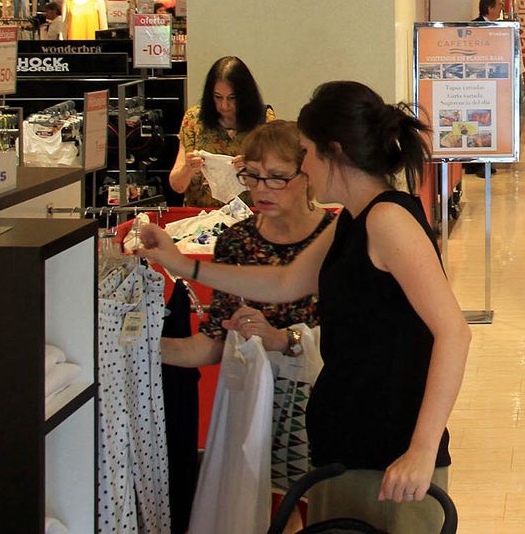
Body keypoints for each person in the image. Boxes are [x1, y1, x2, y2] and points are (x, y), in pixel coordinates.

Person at [137, 81, 470, 533]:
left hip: (389, 456)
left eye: (308, 152)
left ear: (334, 151)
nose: (305, 167)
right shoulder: (354, 217)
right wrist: (183, 266)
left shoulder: (389, 219)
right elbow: (285, 281)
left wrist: (422, 449)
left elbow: (453, 332)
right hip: (345, 447)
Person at [159, 120, 332, 529]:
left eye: (276, 178)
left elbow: (355, 339)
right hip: (255, 405)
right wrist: (140, 345)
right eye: (251, 175)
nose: (260, 189)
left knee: (326, 511)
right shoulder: (236, 240)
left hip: (326, 405)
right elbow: (214, 341)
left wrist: (281, 339)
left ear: (308, 175)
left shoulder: (336, 238)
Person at [171, 56, 276, 207]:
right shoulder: (193, 119)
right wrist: (188, 168)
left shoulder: (264, 121)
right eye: (218, 97)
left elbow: (277, 182)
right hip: (202, 219)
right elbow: (177, 186)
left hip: (250, 217)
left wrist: (254, 170)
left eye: (232, 98)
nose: (224, 105)